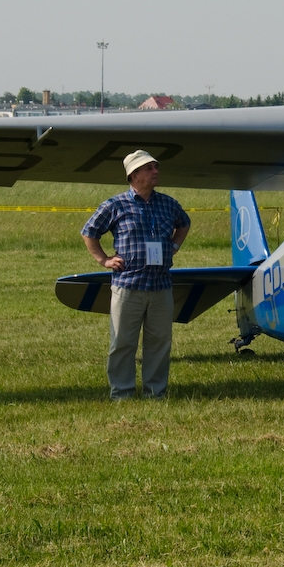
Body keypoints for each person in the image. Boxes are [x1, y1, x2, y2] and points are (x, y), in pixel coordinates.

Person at [81, 150, 191, 400]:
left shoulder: (169, 204)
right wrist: (103, 259)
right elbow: (89, 232)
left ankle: (155, 393)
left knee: (159, 343)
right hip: (128, 285)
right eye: (149, 168)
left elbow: (184, 223)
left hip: (161, 286)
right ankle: (122, 394)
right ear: (134, 175)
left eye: (156, 167)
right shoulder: (115, 205)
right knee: (122, 343)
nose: (156, 172)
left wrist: (173, 247)